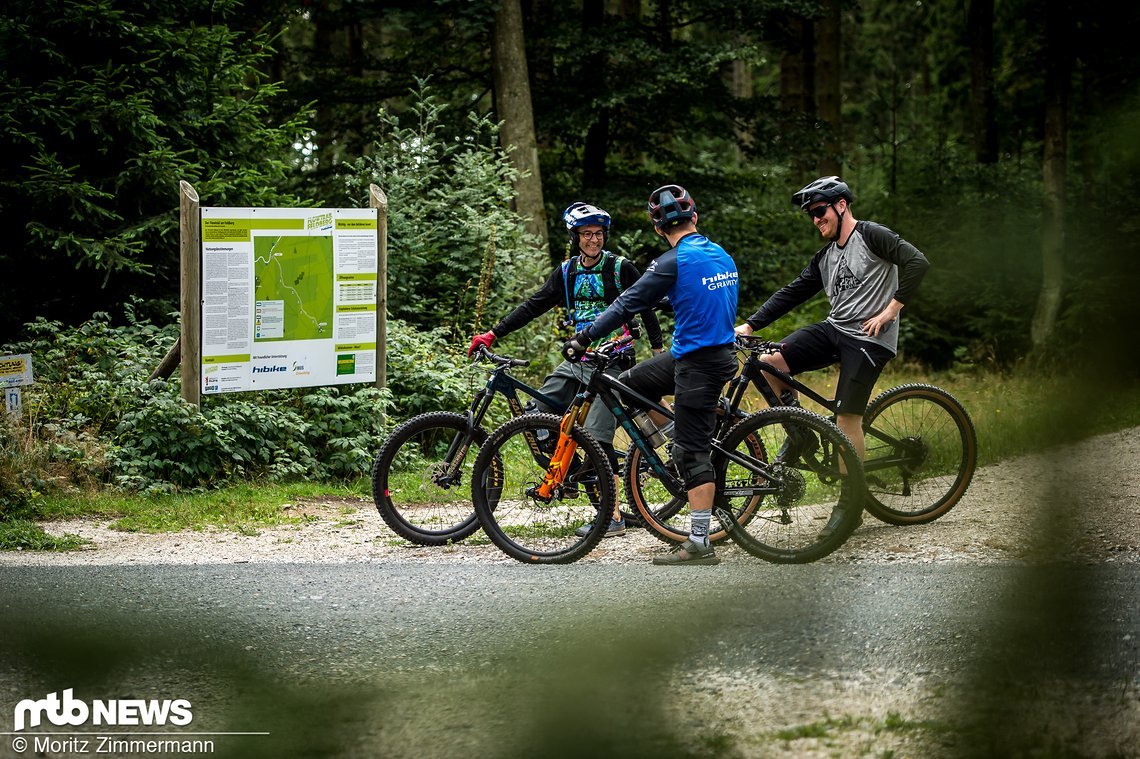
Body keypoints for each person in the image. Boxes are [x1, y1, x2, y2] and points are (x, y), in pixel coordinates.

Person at [735, 175, 930, 535]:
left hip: (870, 339)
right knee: (767, 364)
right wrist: (749, 325)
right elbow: (792, 292)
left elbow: (917, 262)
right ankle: (801, 434)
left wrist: (890, 311)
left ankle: (851, 502)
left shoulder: (871, 235)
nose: (815, 219)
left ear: (842, 205)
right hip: (835, 329)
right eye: (810, 214)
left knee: (846, 419)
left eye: (820, 210)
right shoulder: (826, 255)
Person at [563, 184, 738, 565]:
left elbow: (627, 303)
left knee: (691, 453)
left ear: (660, 229)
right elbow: (689, 294)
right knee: (628, 384)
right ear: (694, 218)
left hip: (699, 363)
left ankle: (699, 542)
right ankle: (678, 431)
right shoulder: (719, 254)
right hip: (709, 354)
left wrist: (585, 336)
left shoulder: (672, 261)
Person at [468, 201, 664, 537]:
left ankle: (612, 516)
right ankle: (572, 470)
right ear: (576, 237)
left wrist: (658, 349)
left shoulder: (619, 268)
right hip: (577, 361)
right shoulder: (567, 272)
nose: (594, 240)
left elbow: (644, 305)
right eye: (587, 234)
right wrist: (493, 333)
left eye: (599, 234)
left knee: (599, 437)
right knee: (538, 413)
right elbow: (534, 305)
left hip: (612, 362)